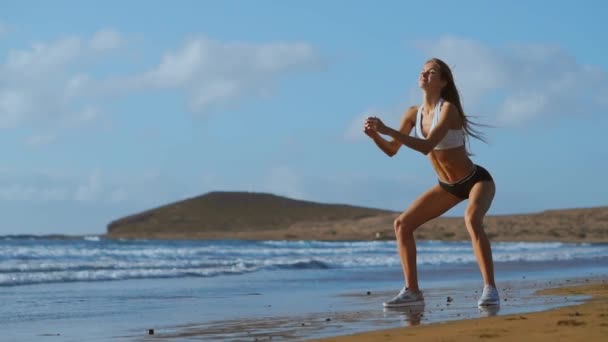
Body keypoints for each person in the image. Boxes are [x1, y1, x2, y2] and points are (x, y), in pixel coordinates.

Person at [363, 58, 499, 308]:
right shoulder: (413, 113)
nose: (424, 75)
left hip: (476, 180)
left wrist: (387, 129)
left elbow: (426, 146)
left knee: (472, 220)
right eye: (422, 71)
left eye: (431, 72)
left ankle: (490, 289)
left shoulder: (447, 110)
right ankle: (412, 292)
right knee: (402, 224)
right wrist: (375, 136)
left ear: (443, 81)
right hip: (447, 186)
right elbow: (392, 150)